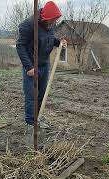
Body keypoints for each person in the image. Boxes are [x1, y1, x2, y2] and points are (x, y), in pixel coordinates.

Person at [16, 1, 67, 142]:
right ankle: (30, 124)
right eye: (54, 19)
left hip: (44, 64)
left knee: (41, 95)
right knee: (31, 95)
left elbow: (48, 39)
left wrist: (59, 42)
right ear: (46, 17)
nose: (55, 22)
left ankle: (37, 120)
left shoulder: (48, 25)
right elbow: (20, 46)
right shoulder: (29, 25)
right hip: (32, 66)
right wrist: (29, 67)